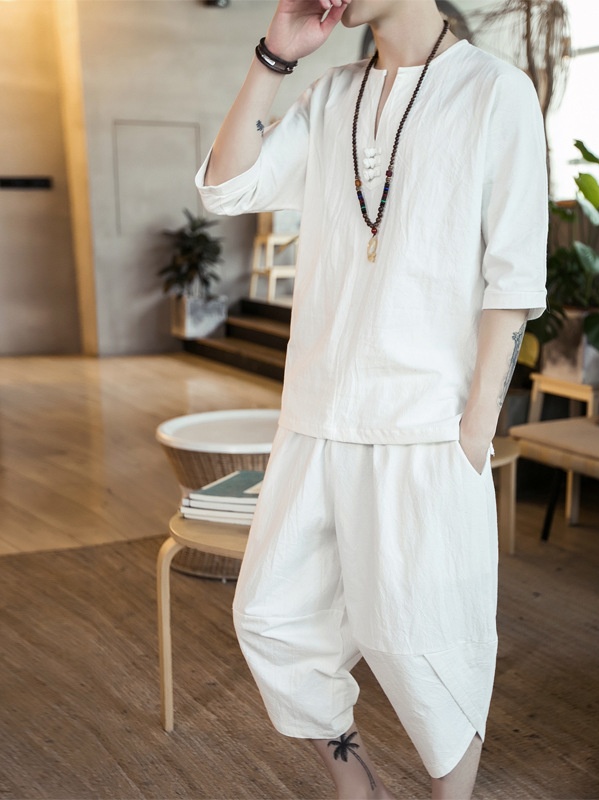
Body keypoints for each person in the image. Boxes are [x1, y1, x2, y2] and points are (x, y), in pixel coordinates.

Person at [195, 1, 547, 797]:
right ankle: (359, 786)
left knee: (427, 647)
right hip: (315, 418)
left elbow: (514, 278)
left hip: (425, 428)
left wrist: (474, 431)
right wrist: (275, 56)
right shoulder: (331, 94)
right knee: (271, 618)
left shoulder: (496, 92)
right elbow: (226, 187)